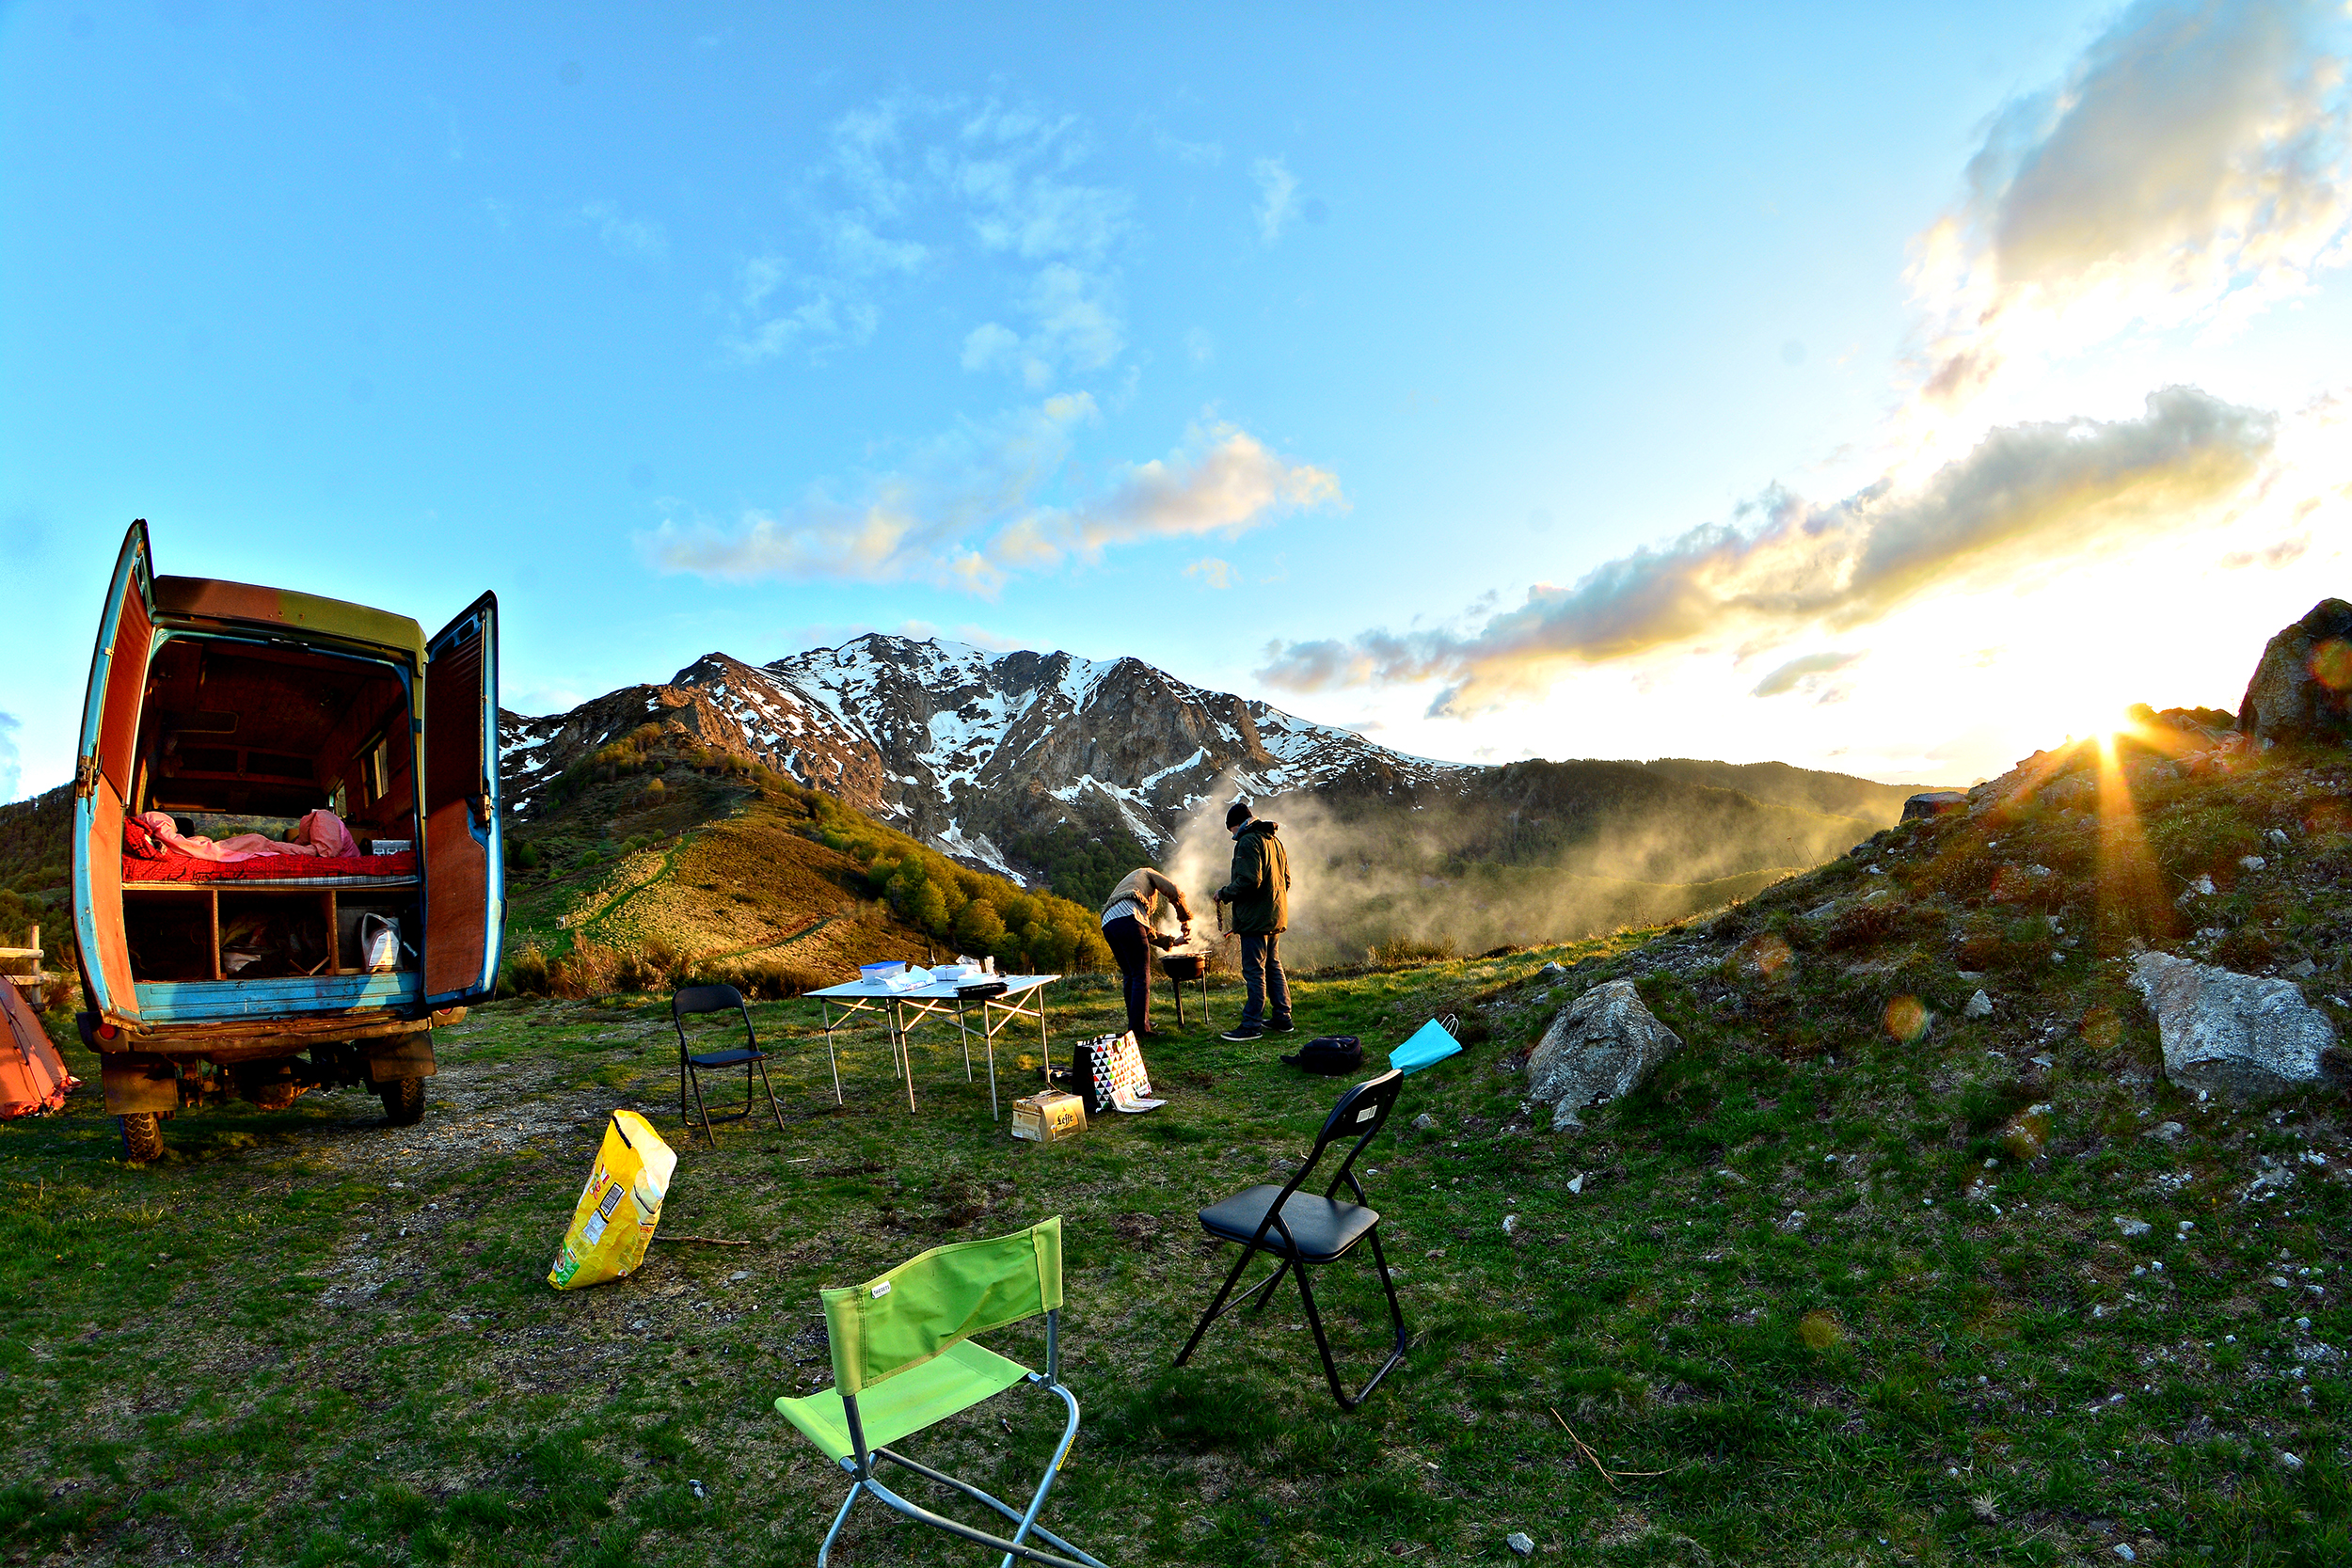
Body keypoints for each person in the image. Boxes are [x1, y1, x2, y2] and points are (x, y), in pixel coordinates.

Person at [1214, 801, 1292, 1040]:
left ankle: (1251, 1025)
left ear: (1236, 824)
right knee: (1273, 965)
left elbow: (1249, 880)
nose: (1232, 836)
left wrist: (1223, 893)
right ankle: (1282, 1017)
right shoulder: (1274, 841)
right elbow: (1286, 880)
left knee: (1254, 970)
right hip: (1275, 915)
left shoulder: (1248, 841)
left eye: (1231, 830)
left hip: (1255, 921)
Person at [1099, 866, 1193, 1038]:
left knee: (1130, 974)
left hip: (1108, 922)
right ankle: (1140, 1029)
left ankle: (1136, 1024)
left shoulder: (1132, 889)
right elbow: (1174, 892)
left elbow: (1145, 931)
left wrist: (1172, 941)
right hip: (1127, 917)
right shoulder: (1147, 873)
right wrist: (1185, 919)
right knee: (1141, 975)